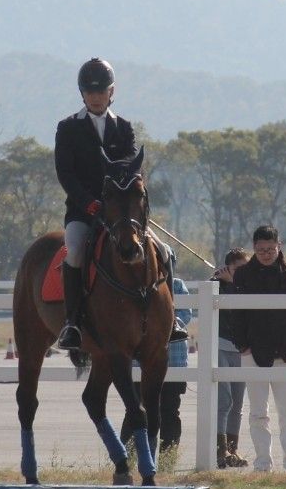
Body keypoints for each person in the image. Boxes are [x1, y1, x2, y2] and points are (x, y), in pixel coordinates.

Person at [53, 56, 187, 349]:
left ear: (111, 92)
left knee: (164, 252)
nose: (96, 97)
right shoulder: (68, 128)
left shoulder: (124, 128)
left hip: (121, 215)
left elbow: (130, 168)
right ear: (83, 94)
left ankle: (172, 317)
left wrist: (122, 203)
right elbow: (66, 174)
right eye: (90, 92)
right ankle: (72, 323)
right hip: (83, 212)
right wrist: (90, 204)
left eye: (101, 92)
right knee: (74, 252)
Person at [230, 225, 286, 472]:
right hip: (253, 352)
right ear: (254, 248)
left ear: (279, 246)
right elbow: (235, 315)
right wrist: (243, 346)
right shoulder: (243, 275)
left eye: (270, 249)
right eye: (261, 249)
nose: (266, 254)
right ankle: (262, 463)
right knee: (257, 413)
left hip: (285, 352)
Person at [120, 274, 193, 456]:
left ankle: (167, 457)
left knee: (170, 411)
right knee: (135, 409)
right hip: (139, 364)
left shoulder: (176, 284)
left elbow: (185, 315)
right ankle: (127, 457)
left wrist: (158, 321)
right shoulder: (130, 284)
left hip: (173, 362)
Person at [211, 247, 251, 468]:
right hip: (220, 346)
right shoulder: (216, 284)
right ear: (228, 267)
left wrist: (235, 283)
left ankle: (232, 450)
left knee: (237, 403)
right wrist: (222, 280)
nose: (243, 272)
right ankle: (220, 450)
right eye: (239, 268)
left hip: (241, 350)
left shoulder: (249, 286)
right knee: (224, 401)